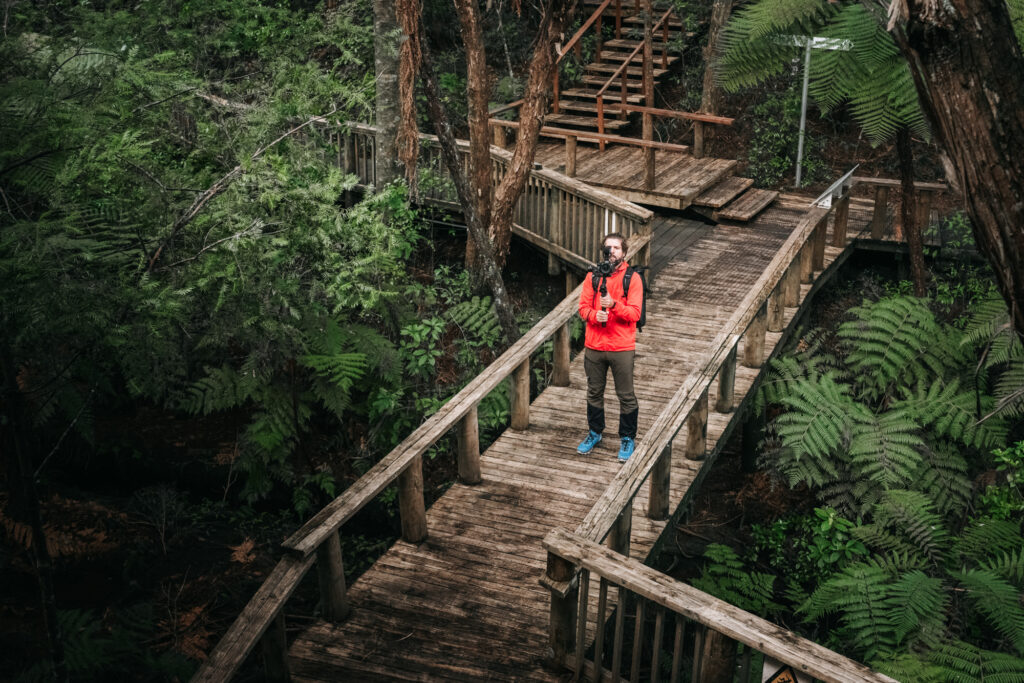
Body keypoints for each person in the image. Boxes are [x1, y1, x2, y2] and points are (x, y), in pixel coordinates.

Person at [577, 232, 642, 461]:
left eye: (616, 247)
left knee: (625, 394)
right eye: (608, 247)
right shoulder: (593, 277)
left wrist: (614, 305)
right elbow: (583, 308)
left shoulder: (632, 278)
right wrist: (596, 316)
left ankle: (627, 437)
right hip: (594, 345)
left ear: (624, 252)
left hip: (621, 346)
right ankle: (595, 432)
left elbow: (635, 313)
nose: (612, 251)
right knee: (594, 391)